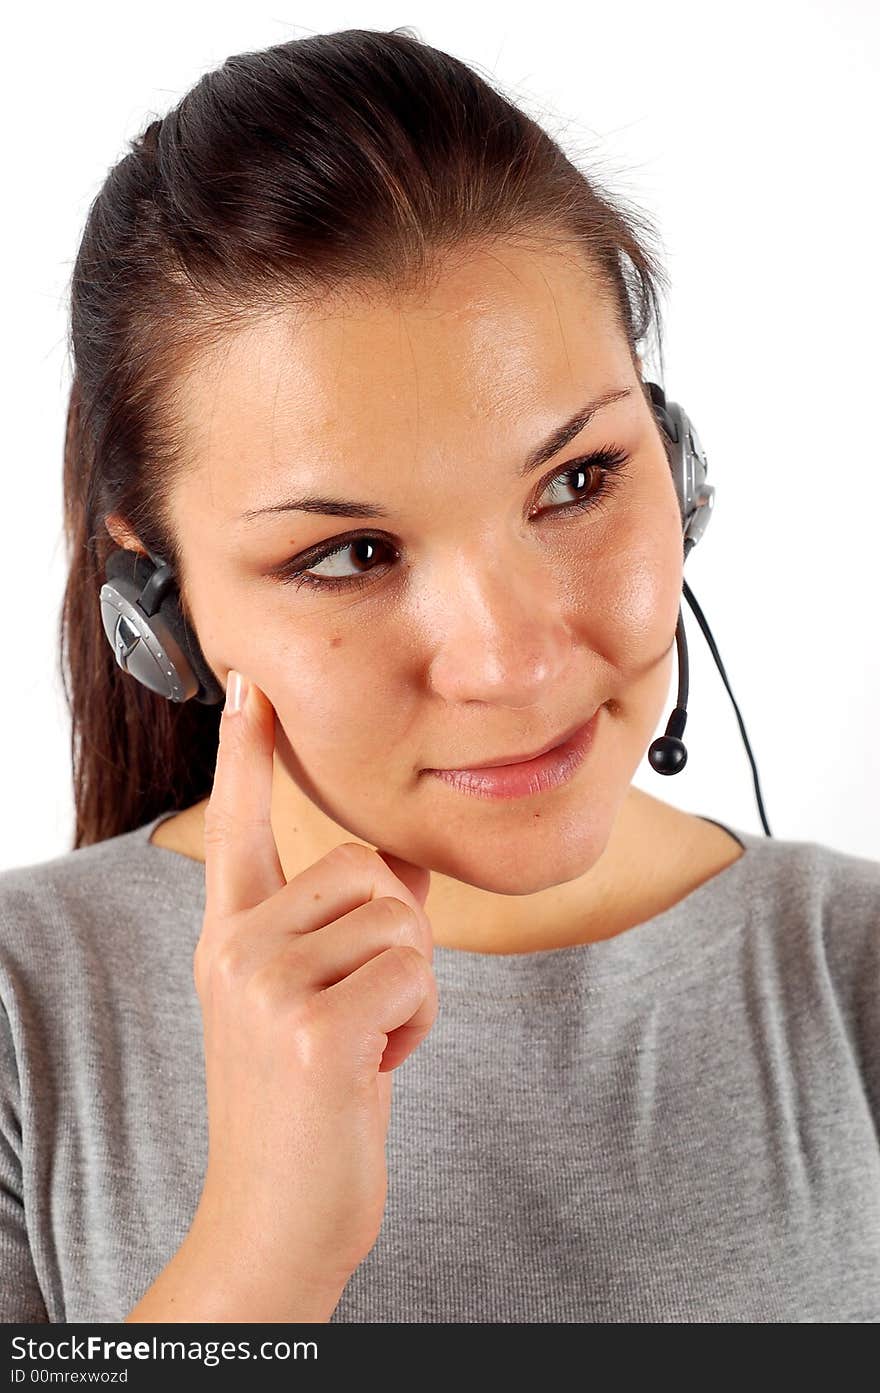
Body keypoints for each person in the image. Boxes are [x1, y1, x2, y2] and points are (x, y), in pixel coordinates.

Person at [1, 27, 878, 1324]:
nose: (514, 659)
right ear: (158, 606)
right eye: (351, 551)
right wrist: (261, 1252)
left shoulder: (852, 976)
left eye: (578, 480)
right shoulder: (26, 1019)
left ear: (675, 456)